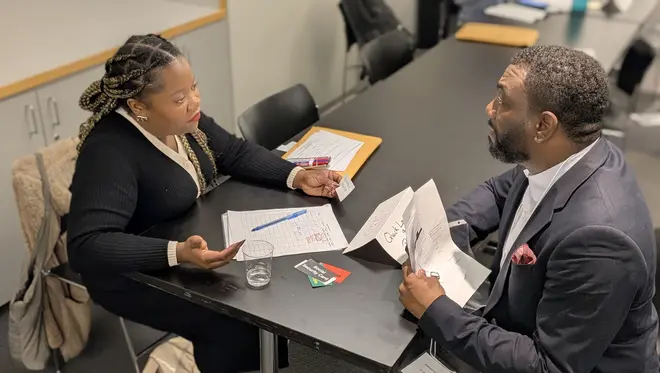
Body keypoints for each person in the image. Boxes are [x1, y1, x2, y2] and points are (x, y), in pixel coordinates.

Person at [67, 34, 342, 373]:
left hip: (190, 244)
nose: (195, 102)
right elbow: (87, 245)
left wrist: (297, 176)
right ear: (138, 106)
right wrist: (177, 252)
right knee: (232, 319)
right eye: (180, 97)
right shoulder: (109, 151)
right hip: (134, 275)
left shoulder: (183, 121)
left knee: (268, 297)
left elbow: (234, 151)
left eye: (194, 88)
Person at [399, 45, 659, 372]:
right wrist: (439, 232)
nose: (490, 109)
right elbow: (499, 192)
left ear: (543, 126)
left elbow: (547, 365)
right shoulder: (564, 154)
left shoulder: (599, 241)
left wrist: (435, 310)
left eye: (504, 102)